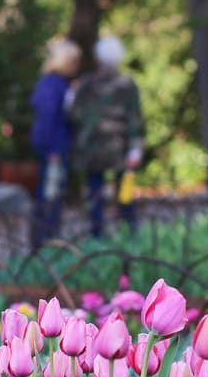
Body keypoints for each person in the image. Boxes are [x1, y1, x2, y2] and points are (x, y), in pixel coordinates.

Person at [68, 36, 145, 238]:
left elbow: (74, 114)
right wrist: (136, 148)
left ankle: (97, 232)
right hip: (120, 148)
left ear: (98, 58)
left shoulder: (86, 84)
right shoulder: (127, 84)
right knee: (125, 189)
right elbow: (134, 118)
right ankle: (129, 231)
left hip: (92, 149)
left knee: (95, 191)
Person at [28, 38, 81, 249]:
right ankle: (44, 241)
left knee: (52, 194)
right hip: (54, 149)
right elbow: (48, 119)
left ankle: (49, 239)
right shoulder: (52, 85)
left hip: (57, 147)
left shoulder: (57, 84)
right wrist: (52, 150)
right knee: (49, 195)